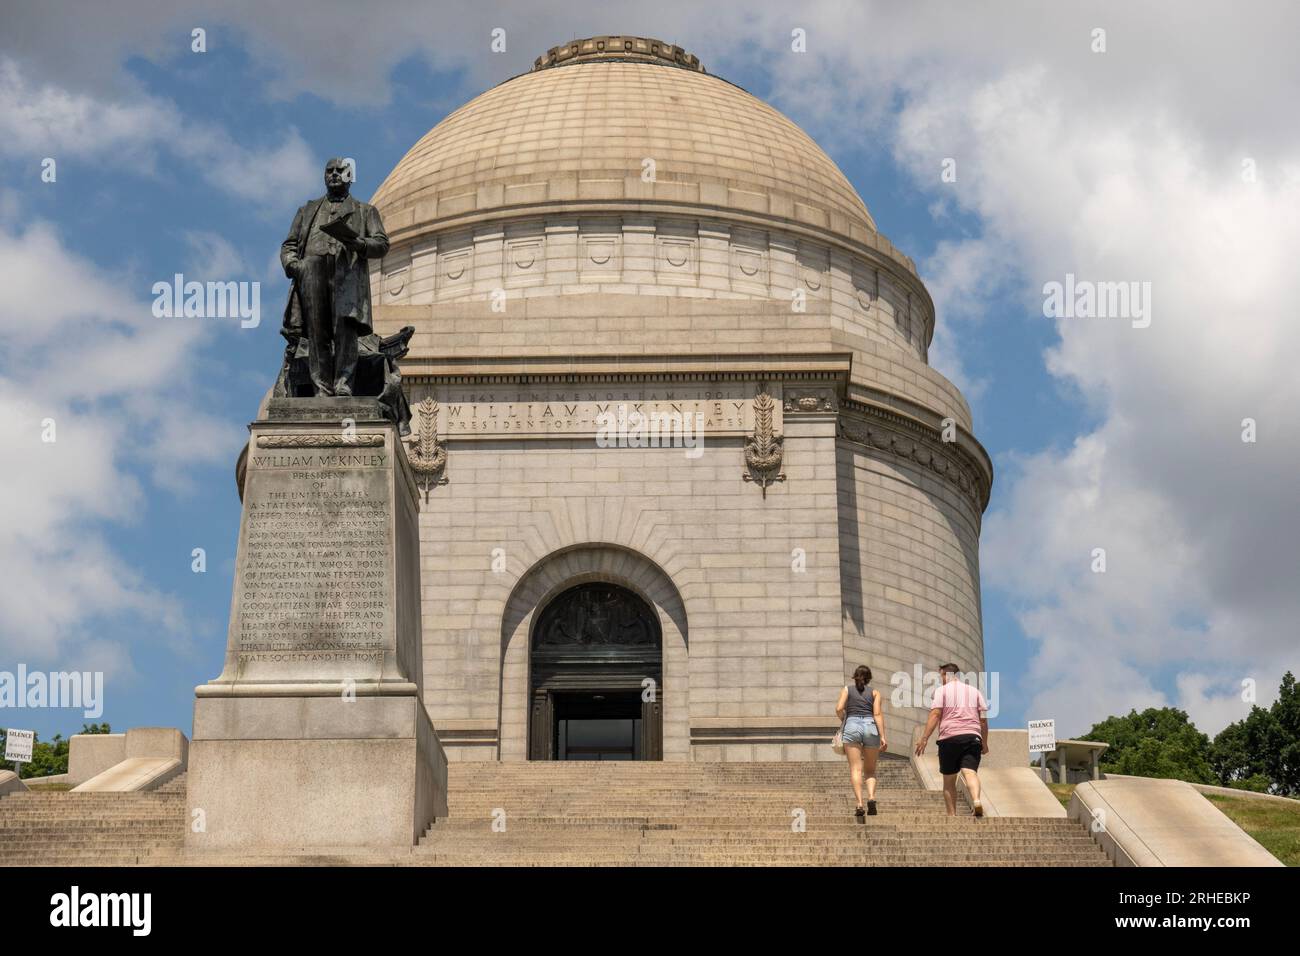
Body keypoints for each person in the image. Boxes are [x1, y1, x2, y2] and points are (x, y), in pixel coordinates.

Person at [280, 157, 390, 397]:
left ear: (350, 176)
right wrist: (294, 266)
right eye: (329, 171)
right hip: (312, 274)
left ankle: (343, 383)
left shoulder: (365, 211)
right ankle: (321, 386)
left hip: (347, 275)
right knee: (316, 331)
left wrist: (360, 243)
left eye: (340, 171)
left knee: (344, 330)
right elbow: (289, 244)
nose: (334, 174)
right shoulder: (307, 210)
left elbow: (381, 244)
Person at [913, 662, 989, 817]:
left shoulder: (941, 691)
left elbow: (935, 715)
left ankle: (952, 816)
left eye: (940, 675)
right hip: (972, 737)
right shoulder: (975, 692)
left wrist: (925, 738)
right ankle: (976, 800)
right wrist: (984, 742)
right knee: (970, 772)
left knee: (949, 780)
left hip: (949, 738)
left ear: (945, 674)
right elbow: (983, 721)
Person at [835, 665, 888, 821]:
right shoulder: (875, 693)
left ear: (854, 676)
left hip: (851, 726)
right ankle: (871, 797)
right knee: (870, 770)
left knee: (855, 769)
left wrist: (845, 719)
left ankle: (859, 804)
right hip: (871, 726)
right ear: (869, 678)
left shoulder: (847, 690)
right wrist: (883, 736)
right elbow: (877, 714)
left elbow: (838, 708)